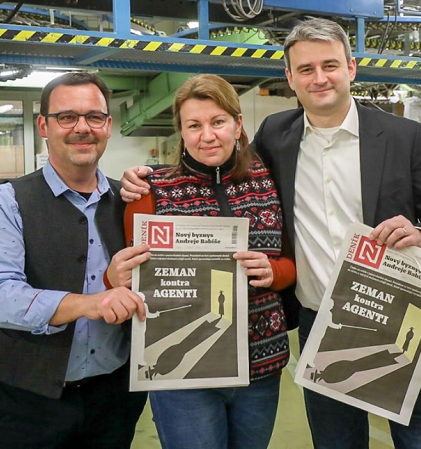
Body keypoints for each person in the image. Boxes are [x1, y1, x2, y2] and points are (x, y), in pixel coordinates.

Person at [120, 18, 421, 449]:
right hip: (321, 321)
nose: (319, 78)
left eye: (330, 65)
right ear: (290, 78)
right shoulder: (276, 135)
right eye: (306, 69)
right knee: (336, 442)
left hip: (401, 315)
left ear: (351, 68)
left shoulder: (402, 135)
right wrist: (139, 177)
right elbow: (222, 172)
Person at [106, 74, 296, 449]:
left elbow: (291, 262)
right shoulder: (150, 191)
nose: (207, 136)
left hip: (260, 366)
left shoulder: (269, 180)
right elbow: (127, 279)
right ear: (181, 131)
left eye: (218, 122)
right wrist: (113, 279)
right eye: (194, 125)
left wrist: (273, 272)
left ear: (237, 125)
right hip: (182, 377)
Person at [0, 72, 148, 448]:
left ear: (108, 126)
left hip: (114, 399)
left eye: (94, 117)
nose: (82, 128)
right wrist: (90, 303)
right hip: (28, 403)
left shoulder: (130, 202)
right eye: (67, 117)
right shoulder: (8, 202)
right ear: (43, 126)